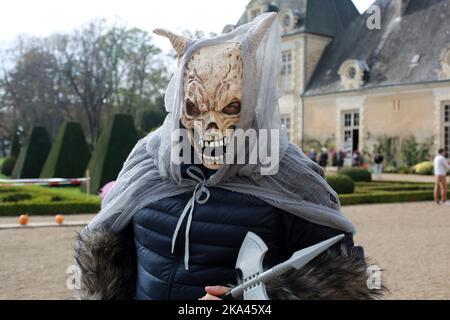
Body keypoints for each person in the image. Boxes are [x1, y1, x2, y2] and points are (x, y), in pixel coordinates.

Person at [74, 13, 382, 300]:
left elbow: (343, 285)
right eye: (195, 107)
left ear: (251, 101)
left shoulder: (288, 174)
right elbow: (110, 258)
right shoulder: (147, 162)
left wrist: (253, 301)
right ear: (181, 100)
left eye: (230, 108)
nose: (209, 126)